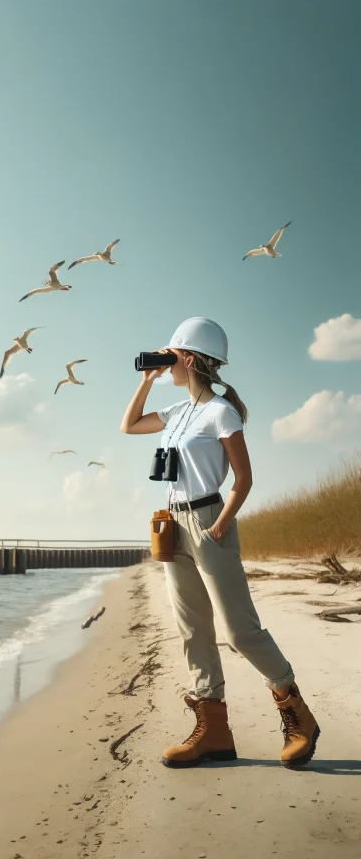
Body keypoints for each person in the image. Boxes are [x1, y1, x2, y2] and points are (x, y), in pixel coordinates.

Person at [120, 317, 320, 770]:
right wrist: (149, 380)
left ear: (188, 358)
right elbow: (129, 425)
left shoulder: (220, 411)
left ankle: (297, 714)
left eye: (171, 355)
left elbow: (244, 478)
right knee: (192, 630)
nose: (165, 360)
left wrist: (221, 524)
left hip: (210, 521)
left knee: (239, 631)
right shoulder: (177, 412)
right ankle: (213, 730)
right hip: (172, 523)